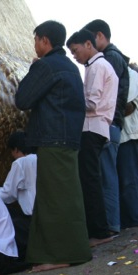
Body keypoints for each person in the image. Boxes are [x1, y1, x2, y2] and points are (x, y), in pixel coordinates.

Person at [15, 20, 92, 272]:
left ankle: (60, 255)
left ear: (45, 40)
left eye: (36, 40)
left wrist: (32, 70)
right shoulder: (70, 67)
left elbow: (22, 99)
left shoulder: (46, 66)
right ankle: (73, 250)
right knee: (67, 197)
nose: (35, 45)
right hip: (69, 139)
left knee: (53, 199)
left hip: (52, 139)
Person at [67, 29, 119, 246]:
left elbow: (91, 103)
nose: (75, 56)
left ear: (88, 44)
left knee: (90, 181)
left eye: (75, 51)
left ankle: (99, 232)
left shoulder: (97, 67)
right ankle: (100, 229)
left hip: (91, 127)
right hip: (98, 128)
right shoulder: (101, 65)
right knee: (93, 179)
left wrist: (69, 99)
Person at [83, 19, 130, 235]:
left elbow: (99, 99)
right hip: (113, 123)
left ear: (99, 36)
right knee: (108, 176)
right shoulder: (116, 58)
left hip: (106, 123)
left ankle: (111, 225)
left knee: (106, 177)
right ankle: (112, 223)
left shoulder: (107, 60)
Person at [0, 130, 37, 258]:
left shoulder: (20, 163)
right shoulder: (39, 158)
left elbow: (7, 194)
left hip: (32, 219)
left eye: (12, 152)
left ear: (16, 149)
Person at [119, 64, 138, 229]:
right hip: (129, 135)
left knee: (129, 180)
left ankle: (134, 218)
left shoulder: (130, 76)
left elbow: (127, 106)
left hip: (130, 135)